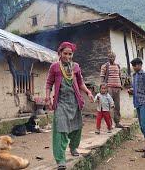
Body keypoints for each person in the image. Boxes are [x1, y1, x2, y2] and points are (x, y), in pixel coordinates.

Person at [45, 42, 94, 170]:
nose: (67, 56)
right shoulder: (54, 67)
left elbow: (80, 82)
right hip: (61, 102)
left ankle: (73, 147)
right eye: (65, 53)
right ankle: (60, 159)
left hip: (74, 101)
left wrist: (88, 92)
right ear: (60, 53)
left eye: (70, 54)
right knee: (60, 129)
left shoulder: (76, 67)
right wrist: (47, 97)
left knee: (77, 127)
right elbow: (49, 83)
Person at [100, 51, 124, 128]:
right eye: (110, 57)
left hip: (117, 88)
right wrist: (102, 87)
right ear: (108, 58)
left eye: (113, 57)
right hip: (109, 88)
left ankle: (117, 122)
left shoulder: (117, 66)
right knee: (108, 105)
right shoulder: (105, 66)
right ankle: (109, 123)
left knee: (117, 106)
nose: (112, 58)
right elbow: (102, 77)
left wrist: (121, 85)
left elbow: (120, 76)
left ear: (115, 57)